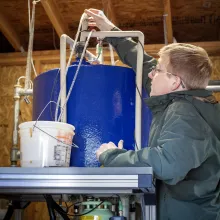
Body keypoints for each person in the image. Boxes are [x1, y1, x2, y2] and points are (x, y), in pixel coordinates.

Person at [85, 9, 220, 220]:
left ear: (174, 81)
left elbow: (167, 163)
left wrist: (111, 156)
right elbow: (144, 63)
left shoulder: (185, 112)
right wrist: (111, 31)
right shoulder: (182, 99)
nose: (151, 73)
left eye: (158, 69)